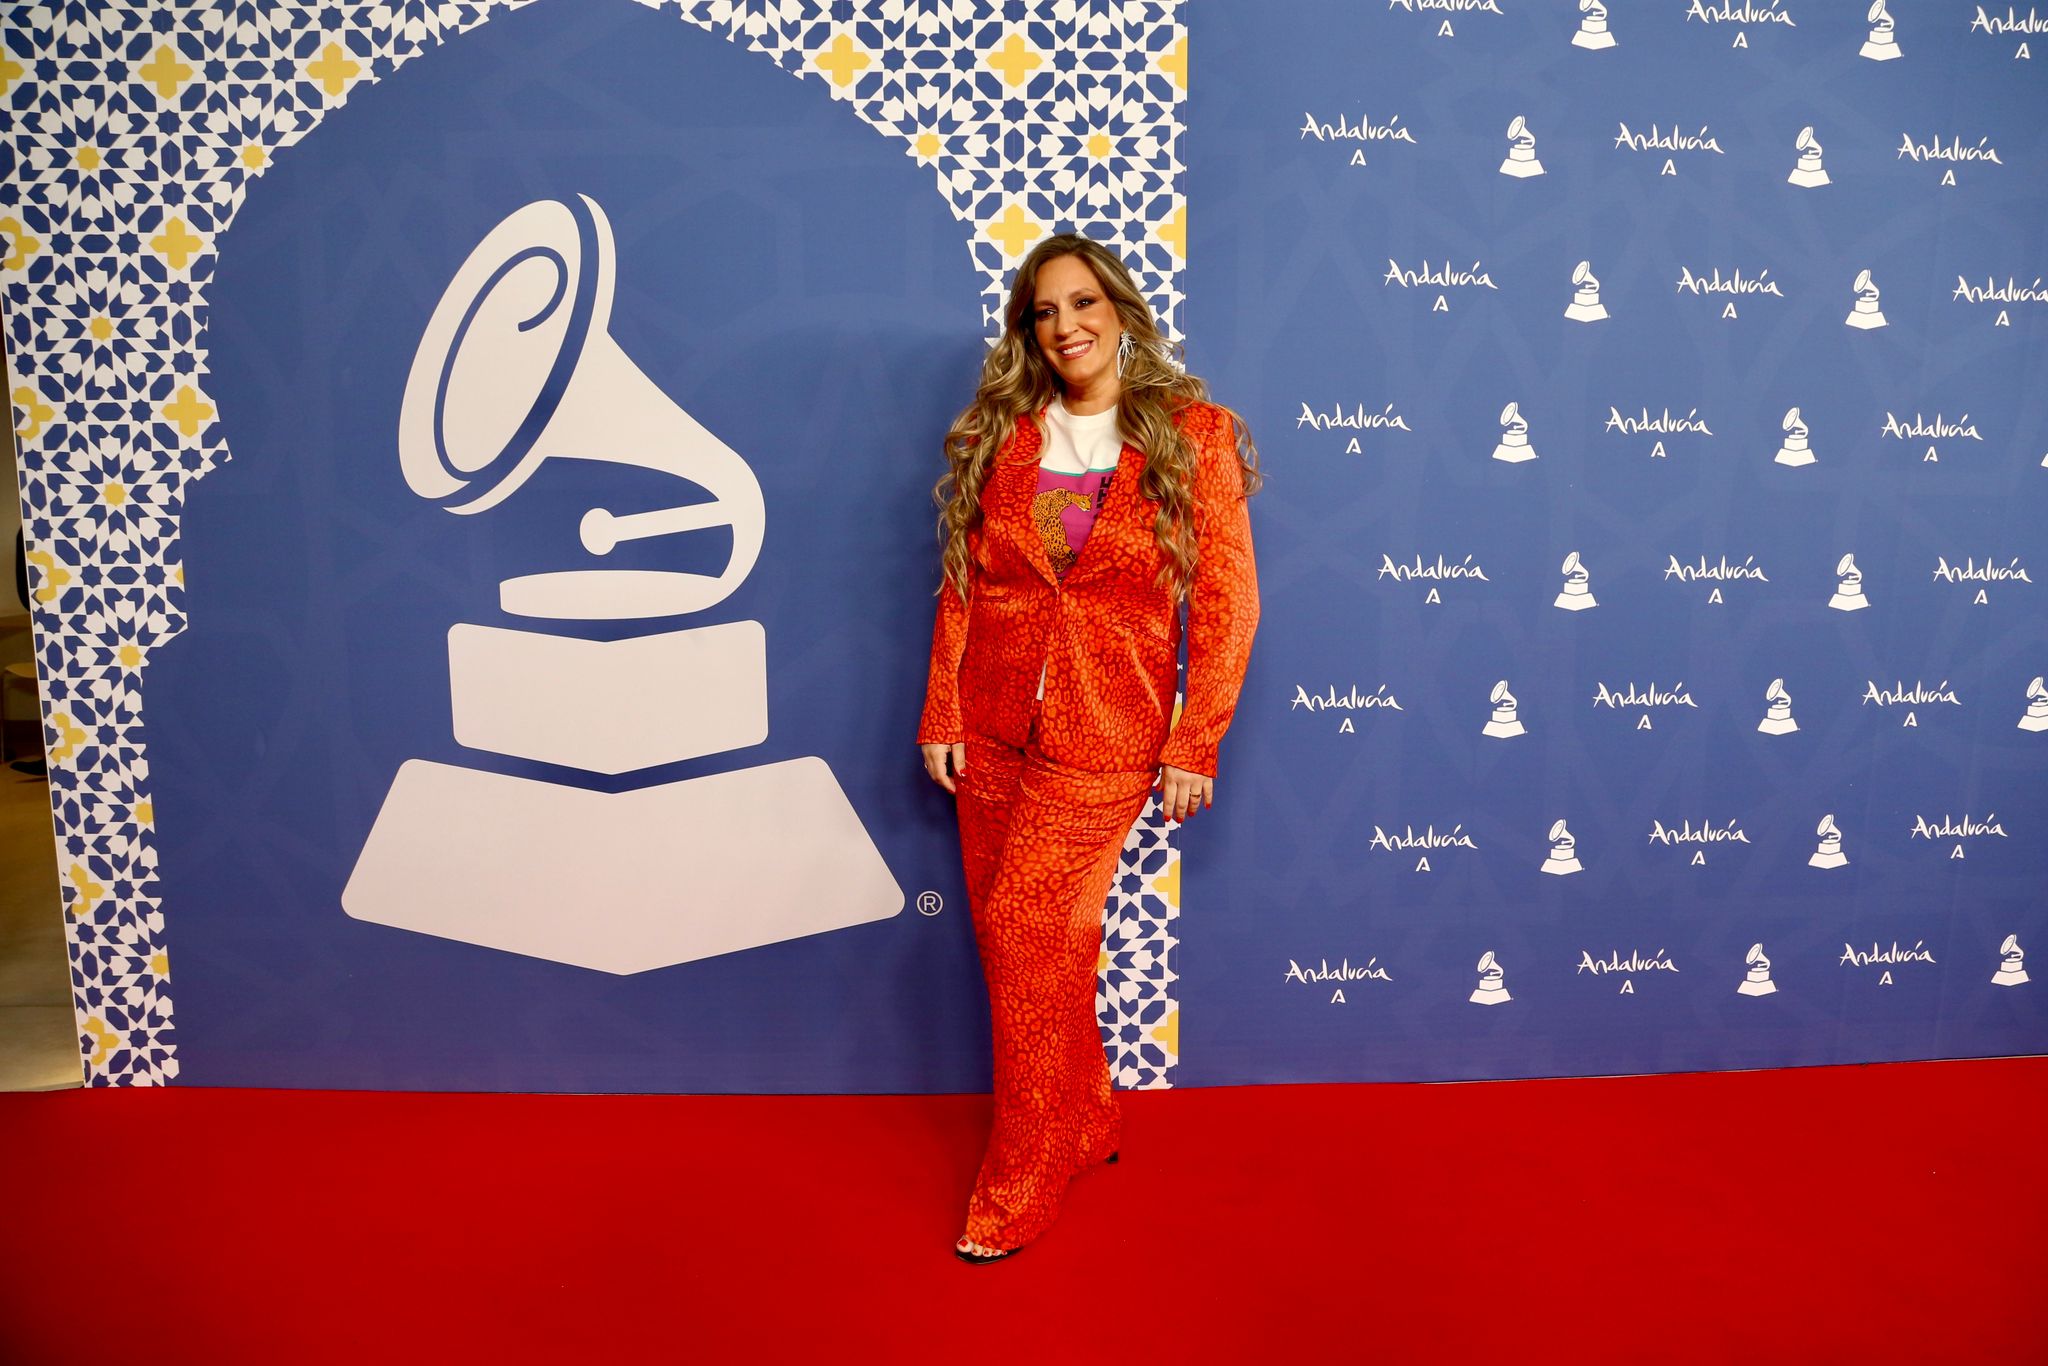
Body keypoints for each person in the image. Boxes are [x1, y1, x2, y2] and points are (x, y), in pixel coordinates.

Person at [917, 233, 1261, 1263]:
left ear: (1117, 309)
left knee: (1026, 930)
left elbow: (1229, 603)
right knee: (1026, 943)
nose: (1063, 325)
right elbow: (963, 583)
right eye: (1042, 312)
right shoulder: (1006, 435)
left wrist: (1193, 739)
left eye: (1080, 303)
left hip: (1107, 727)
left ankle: (1022, 1169)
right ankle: (1087, 1116)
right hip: (990, 726)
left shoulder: (1191, 435)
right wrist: (939, 711)